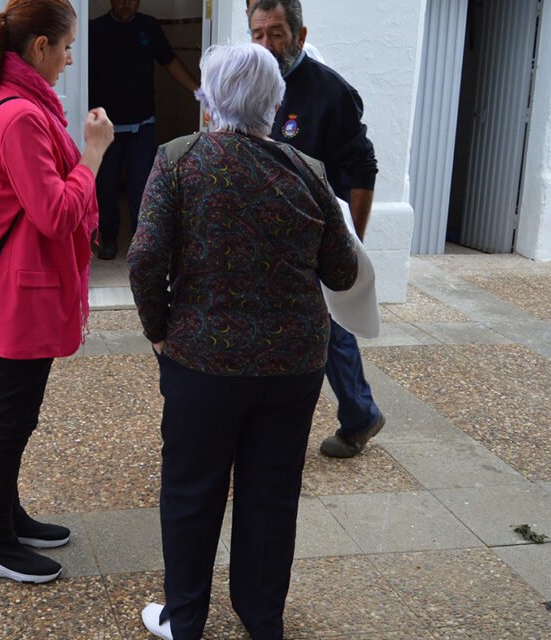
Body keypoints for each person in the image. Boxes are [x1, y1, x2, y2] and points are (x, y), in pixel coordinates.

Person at [128, 43, 359, 640]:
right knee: (272, 495)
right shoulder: (308, 171)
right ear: (275, 102)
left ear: (208, 98)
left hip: (201, 361)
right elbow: (342, 272)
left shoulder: (178, 161)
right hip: (293, 365)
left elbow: (145, 258)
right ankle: (262, 620)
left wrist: (159, 329)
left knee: (191, 491)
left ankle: (186, 619)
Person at [0, 0, 115, 584]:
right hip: (18, 293)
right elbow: (54, 213)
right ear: (39, 47)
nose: (70, 59)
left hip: (8, 286)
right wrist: (93, 152)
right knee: (9, 418)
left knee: (13, 414)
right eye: (66, 47)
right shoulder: (20, 116)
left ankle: (7, 516)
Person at [249, 0, 385, 458]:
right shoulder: (253, 83)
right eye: (258, 34)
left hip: (316, 235)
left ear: (300, 37)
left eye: (277, 34)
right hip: (266, 236)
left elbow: (363, 169)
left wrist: (351, 243)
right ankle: (356, 414)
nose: (266, 46)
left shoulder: (331, 93)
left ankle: (359, 416)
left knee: (329, 325)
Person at [89, 0, 199, 260]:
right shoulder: (97, 30)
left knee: (143, 186)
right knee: (106, 185)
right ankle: (108, 238)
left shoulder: (148, 27)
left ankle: (143, 244)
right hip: (108, 127)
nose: (127, 4)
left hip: (143, 125)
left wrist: (199, 92)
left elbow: (169, 61)